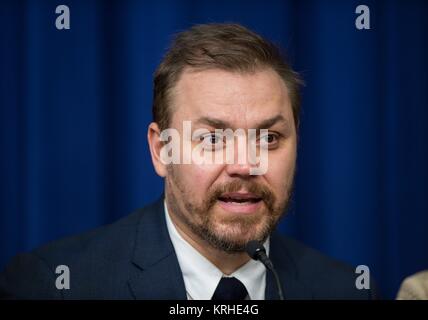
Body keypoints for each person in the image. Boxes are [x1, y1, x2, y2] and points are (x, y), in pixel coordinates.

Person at [0, 23, 376, 300]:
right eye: (213, 139)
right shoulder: (53, 286)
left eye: (269, 138)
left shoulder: (349, 291)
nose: (245, 165)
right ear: (161, 150)